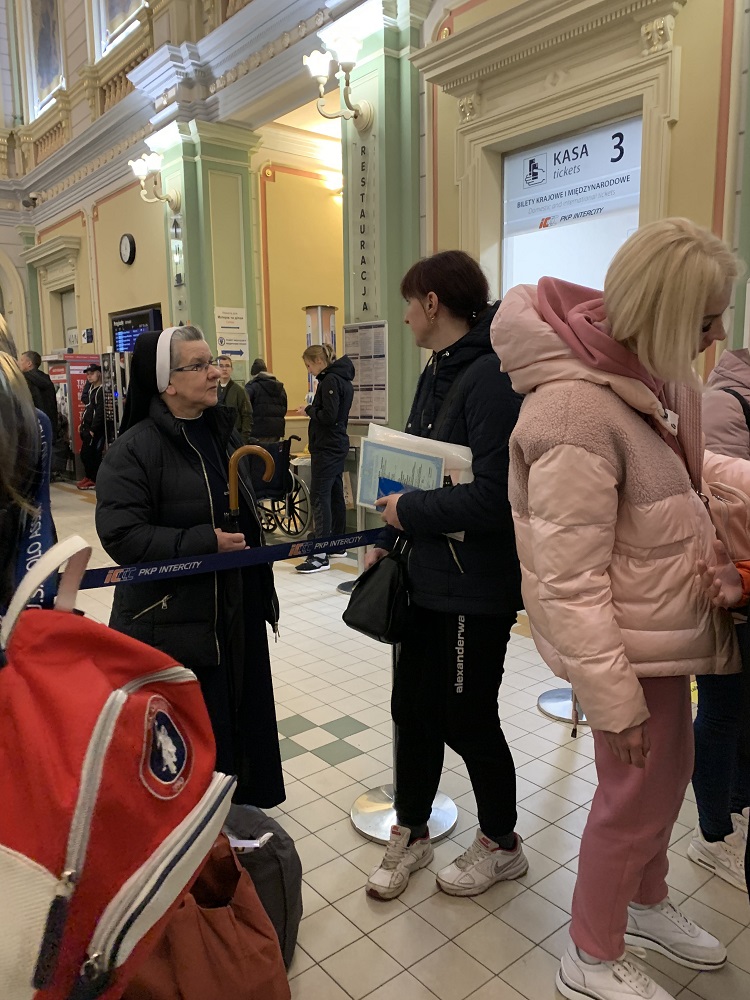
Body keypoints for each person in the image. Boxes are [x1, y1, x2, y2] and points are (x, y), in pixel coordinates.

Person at [491, 218, 741, 1000]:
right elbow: (568, 583)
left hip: (661, 637)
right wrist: (612, 702)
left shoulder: (651, 384)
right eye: (706, 321)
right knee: (630, 798)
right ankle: (590, 954)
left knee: (665, 783)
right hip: (627, 655)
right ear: (666, 316)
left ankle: (646, 901)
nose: (719, 335)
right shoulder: (573, 413)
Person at [365, 250, 526, 901]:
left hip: (475, 588)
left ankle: (501, 842)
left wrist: (408, 510)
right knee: (413, 710)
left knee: (467, 717)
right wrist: (387, 533)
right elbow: (413, 468)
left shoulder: (490, 379)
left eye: (410, 302)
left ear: (434, 302)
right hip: (425, 579)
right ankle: (413, 830)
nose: (404, 317)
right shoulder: (437, 371)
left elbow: (494, 498)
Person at [95, 326, 284, 807]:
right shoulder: (134, 450)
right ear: (167, 383)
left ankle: (236, 815)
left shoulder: (222, 434)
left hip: (234, 611)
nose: (215, 372)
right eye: (198, 365)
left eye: (213, 361)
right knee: (192, 738)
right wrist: (204, 543)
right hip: (174, 621)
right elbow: (122, 536)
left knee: (240, 720)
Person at [690, 351, 750, 890]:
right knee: (721, 710)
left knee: (741, 712)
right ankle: (712, 832)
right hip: (725, 587)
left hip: (745, 581)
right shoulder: (723, 402)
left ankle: (737, 805)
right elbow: (721, 508)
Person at [295, 343, 354, 574]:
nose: (309, 370)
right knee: (335, 492)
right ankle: (336, 543)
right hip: (336, 444)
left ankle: (320, 554)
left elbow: (328, 417)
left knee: (320, 495)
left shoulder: (329, 380)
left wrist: (309, 410)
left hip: (327, 447)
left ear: (319, 361)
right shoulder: (343, 378)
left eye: (309, 365)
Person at [245, 358, 287, 442]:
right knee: (272, 454)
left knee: (259, 454)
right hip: (276, 431)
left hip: (258, 431)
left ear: (254, 374)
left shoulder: (252, 386)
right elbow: (284, 408)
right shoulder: (280, 387)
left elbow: (246, 409)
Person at [77, 363, 104, 490]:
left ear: (99, 373)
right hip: (87, 427)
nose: (89, 377)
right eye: (87, 374)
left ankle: (93, 478)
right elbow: (88, 407)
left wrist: (93, 429)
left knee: (91, 454)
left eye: (92, 374)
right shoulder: (92, 390)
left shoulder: (101, 391)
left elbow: (99, 412)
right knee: (84, 453)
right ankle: (88, 476)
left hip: (95, 429)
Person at [19, 350, 58, 437]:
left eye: (21, 360)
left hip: (34, 427)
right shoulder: (46, 378)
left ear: (29, 363)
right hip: (49, 425)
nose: (19, 363)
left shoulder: (24, 380)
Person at [216, 355, 252, 443]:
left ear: (231, 369)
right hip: (218, 437)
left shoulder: (239, 391)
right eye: (221, 366)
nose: (224, 369)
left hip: (235, 438)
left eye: (227, 366)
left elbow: (247, 415)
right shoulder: (213, 389)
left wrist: (243, 440)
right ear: (216, 369)